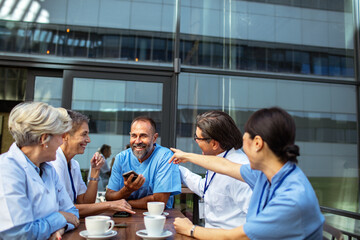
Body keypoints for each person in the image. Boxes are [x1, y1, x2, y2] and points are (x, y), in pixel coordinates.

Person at [170, 107, 324, 239]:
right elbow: (225, 165)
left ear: (257, 143)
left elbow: (235, 237)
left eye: (244, 141)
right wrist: (186, 157)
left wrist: (190, 229)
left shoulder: (292, 200)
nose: (241, 150)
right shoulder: (265, 173)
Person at [0, 102, 80, 240]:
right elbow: (18, 233)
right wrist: (59, 217)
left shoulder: (47, 169)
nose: (62, 142)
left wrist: (61, 228)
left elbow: (73, 213)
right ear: (44, 139)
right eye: (60, 136)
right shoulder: (7, 170)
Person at [52, 110, 134, 217]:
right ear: (65, 135)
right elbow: (65, 209)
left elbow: (85, 203)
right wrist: (109, 205)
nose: (88, 140)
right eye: (84, 134)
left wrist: (95, 172)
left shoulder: (74, 164)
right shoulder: (54, 163)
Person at [180, 111, 252, 229]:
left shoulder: (240, 169)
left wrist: (192, 230)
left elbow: (254, 222)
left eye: (198, 138)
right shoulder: (217, 158)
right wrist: (180, 171)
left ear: (214, 144)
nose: (196, 141)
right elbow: (207, 188)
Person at [105, 116, 181, 209]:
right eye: (134, 136)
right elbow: (109, 196)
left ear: (154, 138)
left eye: (143, 136)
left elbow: (159, 201)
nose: (137, 141)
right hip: (124, 217)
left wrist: (125, 203)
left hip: (158, 218)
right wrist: (127, 190)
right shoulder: (121, 158)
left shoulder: (165, 157)